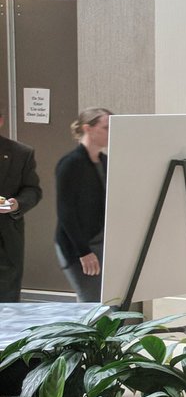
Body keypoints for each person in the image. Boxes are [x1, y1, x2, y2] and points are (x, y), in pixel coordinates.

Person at [55, 107, 111, 303]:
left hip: (102, 242)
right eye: (106, 127)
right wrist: (83, 251)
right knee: (91, 303)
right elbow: (65, 211)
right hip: (78, 245)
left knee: (104, 303)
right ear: (88, 128)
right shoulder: (71, 163)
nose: (110, 132)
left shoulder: (105, 162)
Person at [0, 110, 42, 302]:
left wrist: (17, 204)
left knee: (6, 299)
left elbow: (33, 190)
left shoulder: (20, 153)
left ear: (1, 121)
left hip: (6, 235)